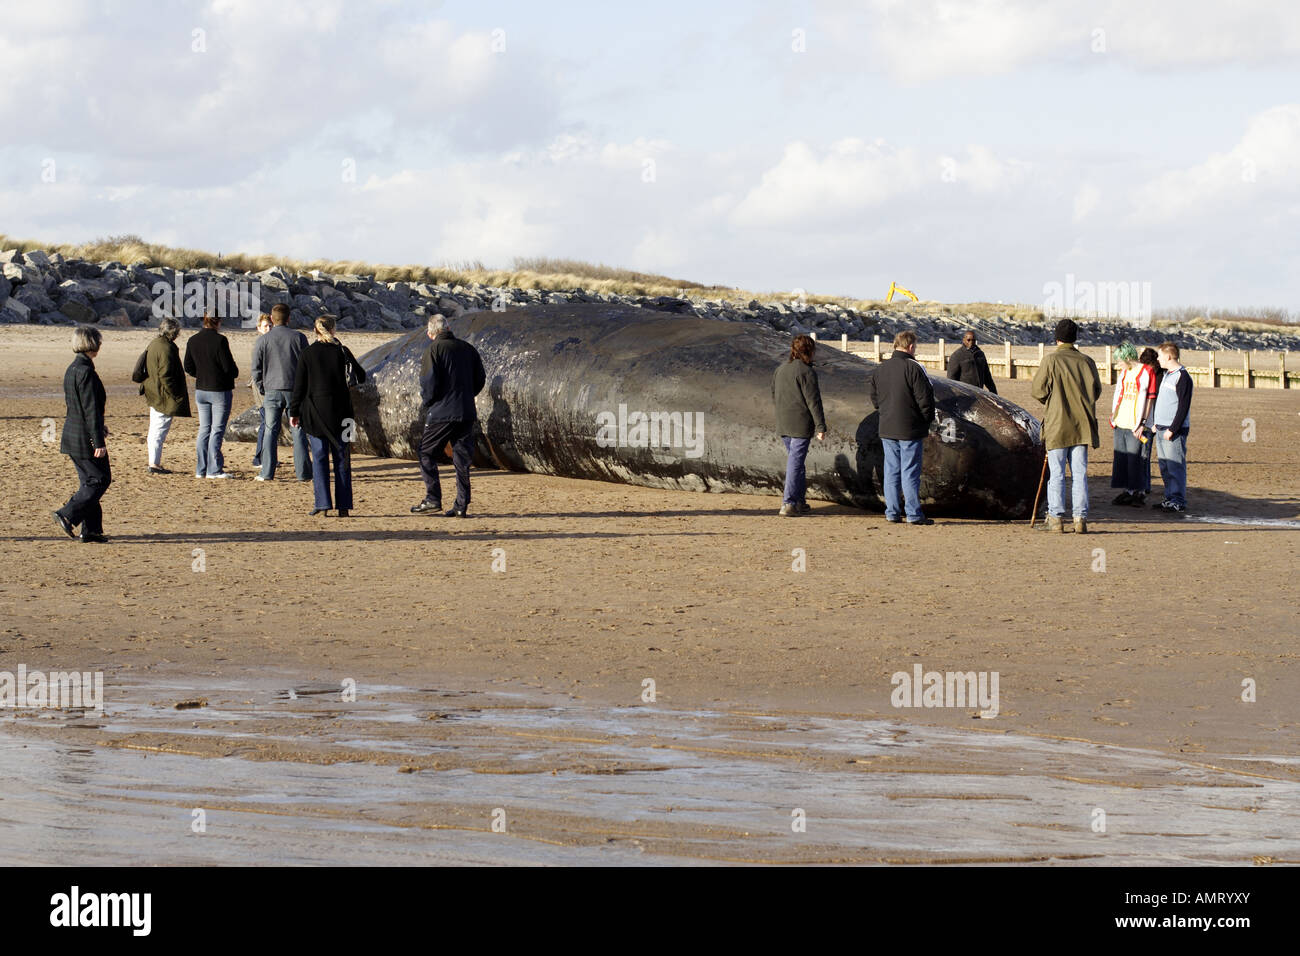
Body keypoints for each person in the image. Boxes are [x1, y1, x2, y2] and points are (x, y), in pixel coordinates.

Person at [411, 313, 486, 518]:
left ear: (431, 333)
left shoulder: (433, 349)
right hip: (466, 411)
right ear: (449, 329)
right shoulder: (468, 349)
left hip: (442, 412)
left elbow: (429, 382)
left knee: (426, 453)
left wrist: (429, 402)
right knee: (461, 459)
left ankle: (433, 499)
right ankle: (461, 504)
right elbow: (480, 378)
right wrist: (468, 396)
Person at [290, 315, 366, 517]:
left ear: (315, 331)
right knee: (342, 459)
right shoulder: (342, 351)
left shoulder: (308, 354)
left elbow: (299, 386)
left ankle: (323, 504)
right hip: (342, 411)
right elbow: (361, 375)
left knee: (320, 457)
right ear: (333, 330)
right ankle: (343, 506)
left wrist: (293, 412)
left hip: (315, 412)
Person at [1031, 319, 1102, 533]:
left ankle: (1056, 518)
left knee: (1057, 474)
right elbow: (1096, 391)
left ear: (1057, 338)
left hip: (1058, 424)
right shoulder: (1087, 361)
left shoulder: (1051, 360)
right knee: (1079, 474)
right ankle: (1080, 519)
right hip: (1082, 425)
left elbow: (1038, 391)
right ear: (1076, 337)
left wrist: (1053, 401)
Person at [868, 330, 936, 525]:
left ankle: (892, 512)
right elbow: (925, 399)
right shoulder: (914, 367)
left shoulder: (880, 369)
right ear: (911, 347)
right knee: (910, 471)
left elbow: (875, 398)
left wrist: (885, 412)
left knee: (891, 471)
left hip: (887, 426)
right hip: (910, 428)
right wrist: (927, 422)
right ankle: (913, 514)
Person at [52, 325, 112, 543]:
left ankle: (92, 530)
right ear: (92, 343)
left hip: (74, 433)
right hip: (83, 437)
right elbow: (90, 409)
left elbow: (78, 406)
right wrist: (98, 441)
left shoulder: (73, 368)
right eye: (99, 341)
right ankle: (66, 514)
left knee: (89, 482)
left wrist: (99, 429)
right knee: (100, 480)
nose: (100, 345)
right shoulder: (85, 371)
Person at [252, 304, 312, 482]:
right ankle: (304, 473)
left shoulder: (263, 340)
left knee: (271, 431)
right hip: (294, 390)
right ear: (289, 318)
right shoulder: (298, 337)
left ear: (272, 318)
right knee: (298, 430)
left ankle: (267, 472)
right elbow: (307, 365)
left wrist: (263, 387)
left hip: (272, 390)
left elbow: (256, 368)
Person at [770, 333, 826, 517]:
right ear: (809, 351)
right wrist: (820, 426)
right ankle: (789, 503)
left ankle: (799, 501)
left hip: (783, 422)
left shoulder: (780, 369)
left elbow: (774, 394)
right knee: (795, 463)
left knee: (797, 463)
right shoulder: (807, 372)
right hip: (800, 424)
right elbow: (813, 401)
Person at [183, 314, 240, 479]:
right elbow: (228, 367)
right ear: (218, 322)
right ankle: (213, 469)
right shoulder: (220, 340)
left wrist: (201, 375)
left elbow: (188, 366)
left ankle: (201, 468)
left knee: (204, 429)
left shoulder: (193, 340)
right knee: (216, 430)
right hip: (219, 390)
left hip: (201, 389)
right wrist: (230, 374)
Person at [139, 317, 190, 474]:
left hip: (153, 391)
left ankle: (154, 462)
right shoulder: (166, 348)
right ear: (174, 332)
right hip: (162, 394)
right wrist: (174, 394)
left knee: (155, 429)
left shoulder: (154, 344)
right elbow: (165, 375)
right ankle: (154, 464)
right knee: (159, 430)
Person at [1108, 342, 1155, 506]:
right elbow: (1118, 393)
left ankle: (1139, 492)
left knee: (1137, 458)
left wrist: (1142, 423)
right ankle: (1127, 490)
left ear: (1128, 357)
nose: (1118, 364)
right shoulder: (1124, 372)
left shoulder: (1146, 372)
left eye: (1120, 360)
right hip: (1121, 421)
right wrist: (1113, 415)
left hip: (1136, 424)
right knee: (1122, 458)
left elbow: (1149, 398)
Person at [1152, 341, 1193, 514]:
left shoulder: (1182, 377)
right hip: (1161, 427)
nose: (1158, 359)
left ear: (1168, 356)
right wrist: (1156, 423)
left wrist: (1173, 429)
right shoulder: (1167, 374)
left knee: (1175, 466)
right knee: (1165, 466)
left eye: (1160, 356)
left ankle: (1178, 500)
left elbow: (1183, 406)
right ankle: (1169, 497)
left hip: (1173, 430)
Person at [1136, 347, 1162, 498]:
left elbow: (1155, 402)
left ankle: (1145, 486)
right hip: (1144, 423)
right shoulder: (1151, 375)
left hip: (1149, 424)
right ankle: (1144, 485)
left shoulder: (1157, 377)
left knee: (1145, 455)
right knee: (1142, 455)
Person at [250, 313, 272, 469]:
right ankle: (259, 457)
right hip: (262, 389)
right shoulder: (260, 343)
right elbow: (256, 370)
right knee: (266, 423)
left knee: (269, 424)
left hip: (269, 387)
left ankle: (267, 456)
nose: (268, 328)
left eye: (270, 325)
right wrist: (261, 388)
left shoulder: (271, 341)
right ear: (259, 328)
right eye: (265, 326)